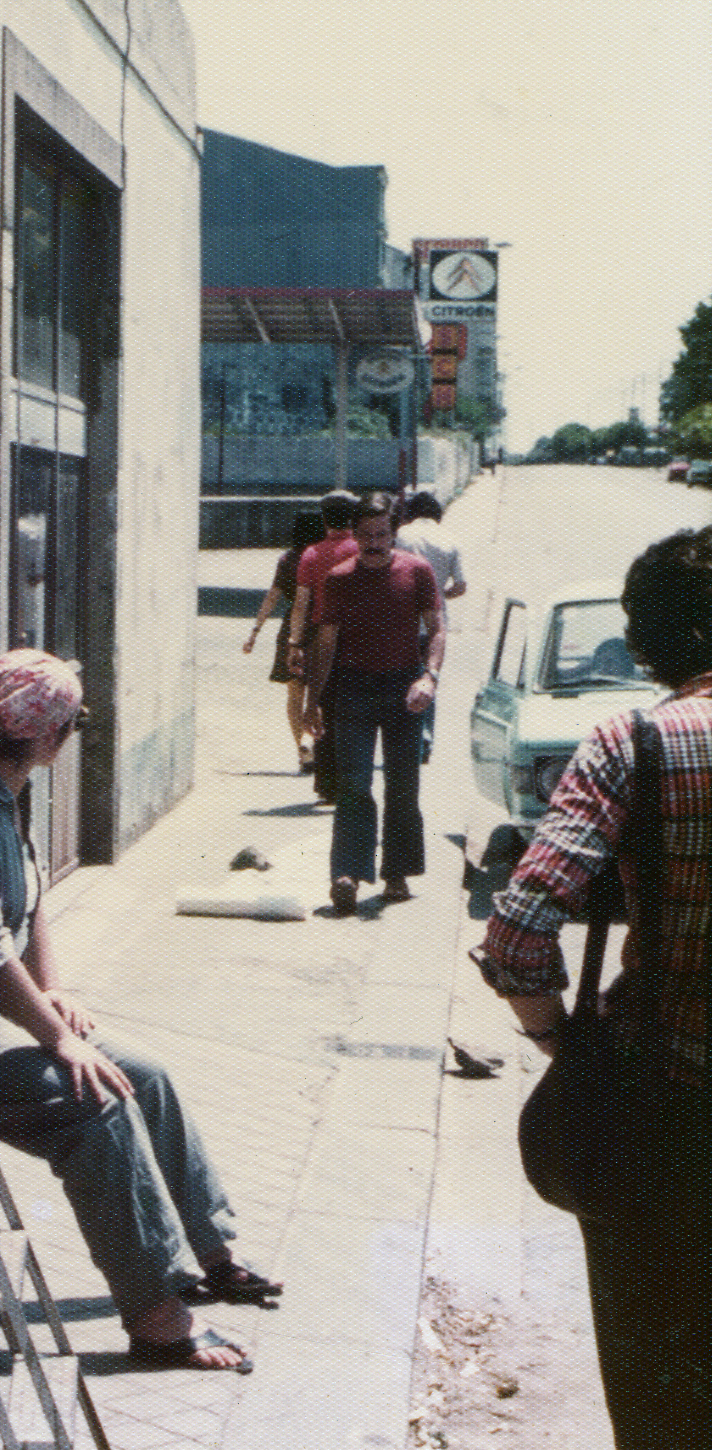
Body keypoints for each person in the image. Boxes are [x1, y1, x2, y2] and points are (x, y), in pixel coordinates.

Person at [0, 649, 282, 1376]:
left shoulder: (6, 790)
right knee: (96, 1103)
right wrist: (60, 1040)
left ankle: (212, 1252)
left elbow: (28, 915)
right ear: (55, 735)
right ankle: (157, 1319)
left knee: (145, 1074)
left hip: (0, 1012)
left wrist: (56, 990)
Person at [472, 529, 712, 1450]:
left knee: (660, 1389)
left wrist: (560, 1041)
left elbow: (520, 931)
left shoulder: (634, 741)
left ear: (647, 645)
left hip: (665, 1112)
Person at [301, 492, 443, 914]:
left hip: (404, 690)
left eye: (382, 534)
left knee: (402, 785)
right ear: (356, 536)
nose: (375, 543)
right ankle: (347, 873)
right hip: (353, 691)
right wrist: (313, 702)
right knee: (353, 785)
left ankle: (396, 871)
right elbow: (325, 642)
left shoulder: (417, 571)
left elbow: (436, 629)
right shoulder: (340, 578)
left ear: (394, 533)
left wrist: (429, 677)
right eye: (366, 535)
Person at [287, 490, 359, 802]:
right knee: (357, 707)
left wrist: (295, 643)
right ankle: (354, 780)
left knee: (324, 707)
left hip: (320, 636)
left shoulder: (312, 554)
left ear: (324, 518)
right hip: (359, 635)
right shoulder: (361, 549)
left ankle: (327, 785)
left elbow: (301, 604)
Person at [394, 490, 465, 763]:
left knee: (402, 678)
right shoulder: (450, 540)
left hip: (403, 622)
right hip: (435, 624)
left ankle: (405, 736)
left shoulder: (401, 535)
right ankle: (425, 736)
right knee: (429, 677)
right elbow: (460, 586)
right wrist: (438, 595)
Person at [242, 511, 314, 771]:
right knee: (323, 691)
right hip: (322, 627)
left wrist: (255, 631)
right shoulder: (323, 556)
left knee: (294, 693)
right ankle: (316, 744)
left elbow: (271, 598)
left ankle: (302, 751)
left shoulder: (288, 560)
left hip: (291, 630)